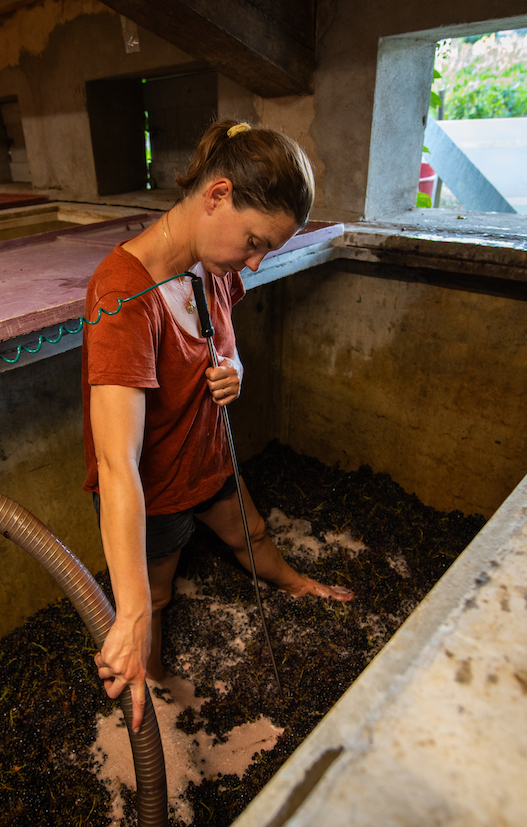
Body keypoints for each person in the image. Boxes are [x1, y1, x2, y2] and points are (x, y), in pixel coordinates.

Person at [82, 120, 353, 733]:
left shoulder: (217, 266)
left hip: (210, 456)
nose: (254, 263)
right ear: (216, 195)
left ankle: (295, 583)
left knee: (250, 532)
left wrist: (235, 369)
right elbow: (116, 462)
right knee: (155, 598)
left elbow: (222, 348)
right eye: (255, 241)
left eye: (268, 251)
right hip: (157, 489)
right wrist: (124, 615)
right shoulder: (123, 294)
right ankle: (145, 696)